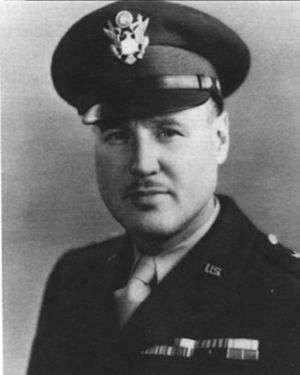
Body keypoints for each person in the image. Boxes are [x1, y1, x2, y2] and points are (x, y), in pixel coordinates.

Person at [27, 1, 299, 374]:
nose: (142, 164)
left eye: (168, 132)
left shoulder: (286, 292)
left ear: (219, 139)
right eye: (118, 135)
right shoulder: (74, 280)